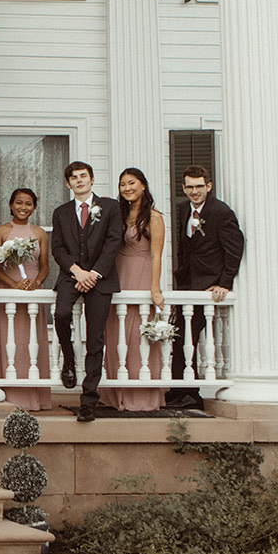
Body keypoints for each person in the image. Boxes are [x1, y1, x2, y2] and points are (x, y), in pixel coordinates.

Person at [167, 166, 245, 410]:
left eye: (199, 186)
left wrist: (224, 282)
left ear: (208, 186)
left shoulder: (221, 212)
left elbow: (234, 248)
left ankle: (190, 392)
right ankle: (179, 389)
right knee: (177, 335)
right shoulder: (182, 210)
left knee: (187, 335)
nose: (194, 191)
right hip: (187, 283)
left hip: (207, 285)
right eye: (189, 187)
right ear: (183, 188)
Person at [50, 161, 122, 423]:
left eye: (83, 176)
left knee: (95, 339)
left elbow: (114, 241)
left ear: (92, 180)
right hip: (72, 275)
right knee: (61, 314)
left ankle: (89, 400)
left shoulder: (110, 207)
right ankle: (68, 360)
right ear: (68, 184)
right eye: (74, 178)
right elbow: (57, 248)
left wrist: (94, 273)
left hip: (100, 278)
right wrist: (77, 271)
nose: (79, 180)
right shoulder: (61, 212)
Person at [101, 167, 167, 412]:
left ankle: (140, 396)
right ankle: (113, 395)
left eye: (131, 183)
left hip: (140, 272)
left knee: (135, 332)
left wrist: (155, 289)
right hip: (117, 273)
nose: (126, 188)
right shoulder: (116, 214)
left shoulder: (154, 217)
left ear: (143, 186)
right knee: (116, 332)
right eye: (122, 184)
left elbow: (157, 255)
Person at [0, 187, 51, 411]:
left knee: (30, 341)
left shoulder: (39, 233)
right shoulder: (1, 231)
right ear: (11, 205)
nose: (23, 207)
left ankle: (33, 397)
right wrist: (12, 284)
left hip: (31, 292)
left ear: (34, 207)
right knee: (8, 340)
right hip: (7, 289)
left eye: (28, 204)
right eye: (19, 203)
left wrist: (36, 282)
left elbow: (44, 266)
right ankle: (8, 395)